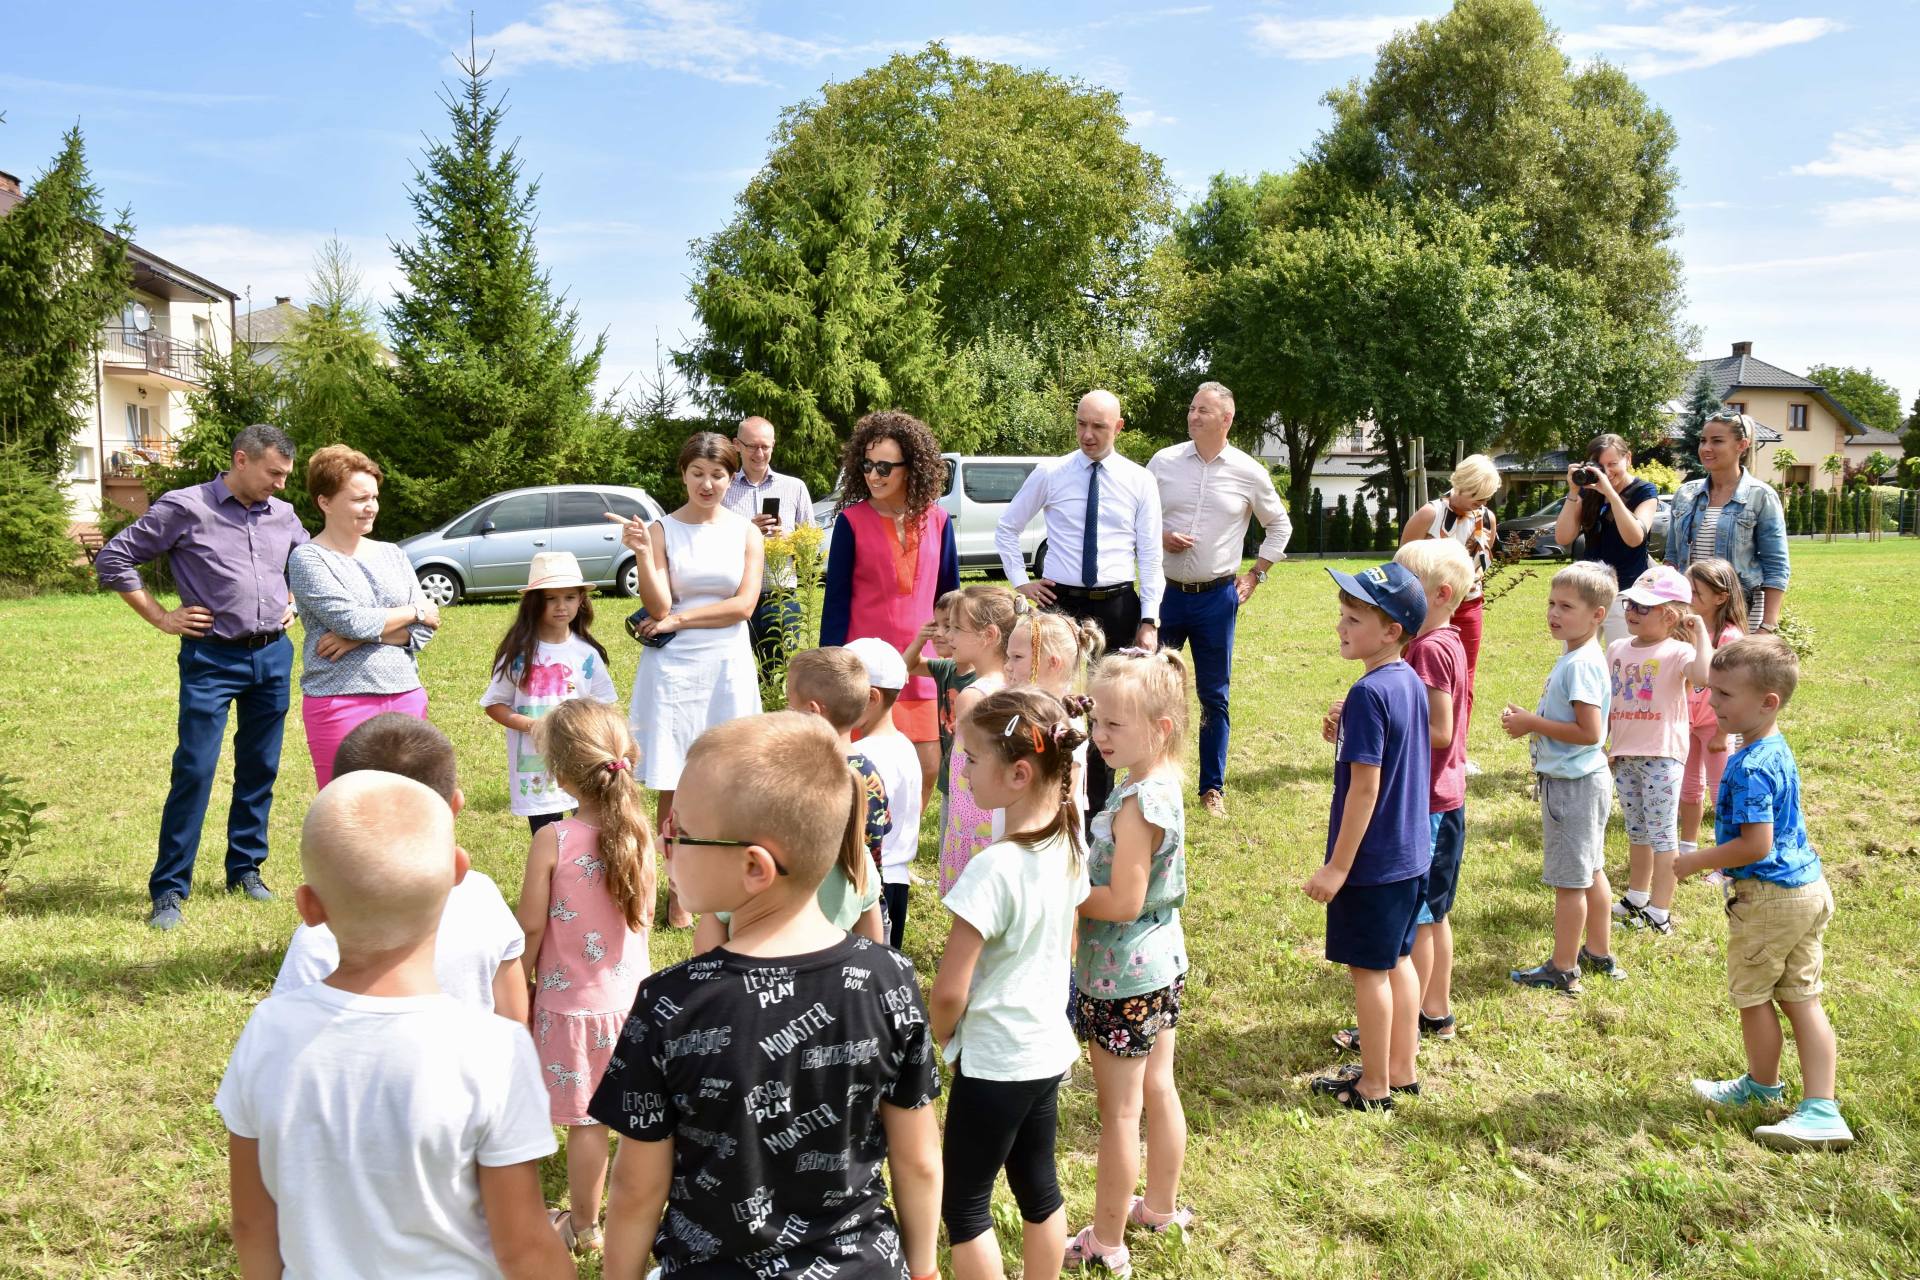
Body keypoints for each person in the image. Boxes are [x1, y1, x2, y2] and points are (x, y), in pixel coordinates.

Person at [589, 712, 943, 1280]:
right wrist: (923, 1269)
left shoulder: (669, 1004)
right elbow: (919, 1158)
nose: (664, 844)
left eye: (678, 833)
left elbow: (636, 1188)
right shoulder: (890, 979)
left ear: (755, 866)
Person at [216, 772, 569, 1279]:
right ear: (457, 871)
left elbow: (251, 1224)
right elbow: (524, 1245)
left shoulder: (268, 1031)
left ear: (309, 907)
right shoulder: (496, 1050)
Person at [95, 423, 307, 930]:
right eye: (274, 474)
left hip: (272, 656)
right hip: (211, 660)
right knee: (195, 769)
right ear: (241, 460)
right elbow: (114, 557)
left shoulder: (284, 515)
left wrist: (294, 602)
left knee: (260, 767)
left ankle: (246, 870)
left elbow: (305, 565)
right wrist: (161, 617)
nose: (281, 485)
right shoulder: (186, 506)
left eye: (286, 476)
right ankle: (169, 889)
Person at [931, 689, 1091, 1280]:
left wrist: (941, 1039)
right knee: (1037, 1184)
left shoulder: (993, 868)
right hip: (1046, 1053)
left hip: (995, 1063)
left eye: (971, 758)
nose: (963, 768)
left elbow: (950, 991)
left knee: (966, 1203)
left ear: (1019, 773)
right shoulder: (1071, 843)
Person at [1676, 637, 1851, 1150]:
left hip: (1770, 898)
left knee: (1753, 998)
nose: (1712, 703)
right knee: (1802, 998)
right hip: (1805, 888)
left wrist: (1692, 862)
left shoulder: (1749, 765)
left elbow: (1754, 845)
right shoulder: (1771, 748)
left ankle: (1762, 1086)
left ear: (1767, 702)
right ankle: (1819, 1106)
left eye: (1726, 695)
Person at [1066, 650, 1193, 1277]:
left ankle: (1107, 1240)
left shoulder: (1138, 802)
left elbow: (1123, 900)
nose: (1100, 736)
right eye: (1099, 721)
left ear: (1161, 727)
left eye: (1116, 725)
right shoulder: (1157, 783)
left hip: (1124, 975)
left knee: (1119, 1111)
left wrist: (1063, 890)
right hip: (1160, 963)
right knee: (1157, 1086)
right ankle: (1161, 1208)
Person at [272, 712, 528, 1022]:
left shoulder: (321, 935)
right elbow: (514, 1019)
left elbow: (289, 1031)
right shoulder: (482, 897)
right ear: (454, 805)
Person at [513, 699, 654, 1257]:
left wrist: (517, 984)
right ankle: (639, 1217)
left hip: (570, 1008)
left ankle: (585, 1226)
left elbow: (528, 927)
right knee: (638, 1118)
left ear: (560, 774)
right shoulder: (640, 831)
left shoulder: (553, 840)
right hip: (634, 1003)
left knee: (588, 1122)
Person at [614, 431, 764, 928]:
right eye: (697, 473)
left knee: (728, 775)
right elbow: (657, 606)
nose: (707, 483)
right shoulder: (660, 530)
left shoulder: (746, 531)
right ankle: (676, 897)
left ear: (730, 477)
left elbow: (744, 606)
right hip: (674, 670)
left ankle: (727, 888)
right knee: (672, 778)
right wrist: (640, 552)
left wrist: (681, 620)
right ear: (683, 474)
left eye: (718, 474)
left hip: (727, 664)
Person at [996, 389, 1165, 826]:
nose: (1088, 435)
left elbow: (1150, 554)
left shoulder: (1139, 480)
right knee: (1051, 701)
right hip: (1061, 606)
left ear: (1118, 428)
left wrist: (1149, 619)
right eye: (1081, 424)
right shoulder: (1052, 473)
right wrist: (1022, 582)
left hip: (1118, 605)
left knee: (1108, 710)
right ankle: (1046, 799)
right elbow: (1007, 528)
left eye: (1099, 427)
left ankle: (1098, 812)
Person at [1306, 562, 1430, 1111]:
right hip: (1410, 854)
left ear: (1391, 632)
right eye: (1340, 615)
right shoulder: (1407, 682)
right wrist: (1346, 728)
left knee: (1368, 974)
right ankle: (1401, 1068)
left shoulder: (1368, 694)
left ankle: (1375, 1086)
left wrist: (1337, 867)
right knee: (1399, 960)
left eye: (1353, 618)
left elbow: (1363, 791)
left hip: (1371, 862)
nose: (1339, 626)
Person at [1149, 382, 1291, 818]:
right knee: (1151, 689)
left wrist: (1255, 575)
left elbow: (1279, 528)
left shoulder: (1249, 471)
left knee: (1214, 697)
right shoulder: (1163, 463)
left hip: (1216, 599)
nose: (1193, 416)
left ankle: (1212, 789)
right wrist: (1160, 537)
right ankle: (1151, 779)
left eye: (1203, 410)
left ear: (1226, 419)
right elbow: (1133, 517)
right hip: (1164, 594)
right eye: (1192, 408)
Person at [821, 410, 960, 812]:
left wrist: (955, 646)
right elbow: (836, 602)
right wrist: (832, 668)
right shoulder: (851, 521)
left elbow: (948, 594)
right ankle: (863, 847)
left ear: (911, 467)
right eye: (866, 464)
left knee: (927, 765)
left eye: (884, 466)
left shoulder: (938, 519)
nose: (873, 474)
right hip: (866, 669)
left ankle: (903, 844)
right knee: (862, 770)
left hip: (921, 665)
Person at [1501, 563, 1624, 993]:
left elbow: (1590, 733)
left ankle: (1564, 968)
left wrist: (1531, 722)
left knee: (1571, 882)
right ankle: (1598, 951)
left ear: (1597, 614)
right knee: (1592, 871)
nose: (1554, 613)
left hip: (1572, 788)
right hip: (1585, 783)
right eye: (1552, 603)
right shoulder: (1580, 656)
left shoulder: (1580, 665)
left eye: (1566, 606)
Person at [287, 444, 439, 789]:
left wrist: (356, 638)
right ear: (324, 502)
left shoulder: (393, 554)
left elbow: (426, 632)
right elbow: (352, 621)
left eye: (374, 497)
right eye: (359, 499)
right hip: (339, 702)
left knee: (412, 803)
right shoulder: (309, 559)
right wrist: (414, 611)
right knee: (347, 811)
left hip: (405, 694)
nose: (371, 507)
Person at [1607, 566, 1714, 937]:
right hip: (1625, 754)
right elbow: (1609, 700)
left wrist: (1700, 632)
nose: (1632, 612)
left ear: (1670, 616)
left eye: (1643, 607)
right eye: (1631, 604)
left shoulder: (1678, 651)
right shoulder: (1617, 648)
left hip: (1662, 755)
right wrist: (1606, 744)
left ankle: (1660, 911)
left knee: (1662, 835)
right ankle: (1637, 897)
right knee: (1636, 831)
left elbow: (1703, 676)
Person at [480, 551, 619, 834]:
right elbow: (494, 704)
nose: (561, 606)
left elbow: (605, 707)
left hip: (582, 762)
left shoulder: (586, 654)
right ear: (533, 603)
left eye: (569, 597)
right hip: (537, 767)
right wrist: (534, 726)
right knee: (548, 839)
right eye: (550, 598)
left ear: (581, 600)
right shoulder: (519, 654)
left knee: (589, 838)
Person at [1666, 410, 1792, 633]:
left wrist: (1768, 625)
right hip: (1687, 611)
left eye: (1717, 441)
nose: (1706, 448)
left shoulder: (1761, 496)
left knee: (1729, 668)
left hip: (1738, 613)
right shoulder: (1685, 493)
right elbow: (1672, 559)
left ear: (1741, 445)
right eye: (1703, 440)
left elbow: (1776, 566)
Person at [721, 415, 817, 685]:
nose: (759, 453)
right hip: (734, 595)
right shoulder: (723, 488)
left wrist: (785, 536)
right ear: (736, 445)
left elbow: (811, 544)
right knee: (735, 673)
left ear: (774, 445)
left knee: (777, 672)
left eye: (765, 446)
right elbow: (709, 541)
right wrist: (748, 532)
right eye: (751, 446)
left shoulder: (794, 487)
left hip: (781, 593)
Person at [937, 586, 1018, 894]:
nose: (949, 636)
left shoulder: (972, 697)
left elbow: (970, 767)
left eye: (957, 628)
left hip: (975, 821)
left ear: (989, 635)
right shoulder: (1016, 685)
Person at [847, 636, 925, 949]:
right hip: (898, 878)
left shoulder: (861, 757)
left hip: (869, 882)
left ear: (871, 697)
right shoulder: (904, 745)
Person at [1400, 454, 1499, 695]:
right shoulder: (1429, 514)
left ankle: (1458, 732)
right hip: (1427, 607)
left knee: (1464, 676)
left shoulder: (1487, 518)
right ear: (1462, 484)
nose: (1483, 501)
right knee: (1416, 671)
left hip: (1468, 607)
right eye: (1477, 494)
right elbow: (1402, 566)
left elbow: (1484, 562)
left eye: (1487, 496)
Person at [1553, 434, 1661, 647]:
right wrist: (1573, 492)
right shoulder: (1588, 492)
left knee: (1622, 663)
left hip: (1625, 594)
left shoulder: (1644, 491)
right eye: (1601, 467)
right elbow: (1563, 537)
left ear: (1628, 459)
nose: (1608, 472)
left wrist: (1610, 494)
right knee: (1574, 656)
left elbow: (1635, 538)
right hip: (1587, 592)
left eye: (1613, 464)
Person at [1006, 608, 1103, 825]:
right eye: (1008, 657)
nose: (1007, 666)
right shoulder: (1024, 712)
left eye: (1017, 657)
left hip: (1044, 838)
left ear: (1052, 662)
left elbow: (1062, 797)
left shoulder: (1064, 722)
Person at [1680, 558, 1747, 854]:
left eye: (1696, 593)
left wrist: (1722, 732)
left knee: (1720, 792)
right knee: (1689, 788)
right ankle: (1687, 848)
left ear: (1720, 598)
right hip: (1687, 723)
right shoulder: (1688, 629)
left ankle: (1726, 860)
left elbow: (1731, 690)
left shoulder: (1730, 637)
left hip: (1715, 726)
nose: (1688, 598)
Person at [907, 589, 976, 858]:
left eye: (950, 626)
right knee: (950, 843)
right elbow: (907, 667)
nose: (940, 633)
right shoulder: (945, 669)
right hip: (950, 777)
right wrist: (918, 640)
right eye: (936, 625)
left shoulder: (978, 679)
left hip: (973, 775)